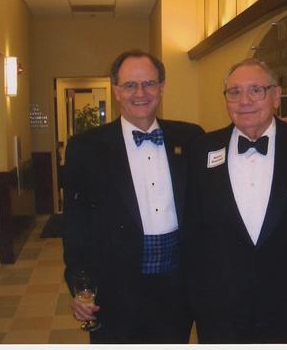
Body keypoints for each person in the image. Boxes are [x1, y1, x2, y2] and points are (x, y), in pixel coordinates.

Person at [183, 58, 287, 344]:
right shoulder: (201, 150)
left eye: (255, 90)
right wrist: (198, 304)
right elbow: (193, 235)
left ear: (276, 96)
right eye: (234, 92)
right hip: (221, 318)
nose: (244, 100)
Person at [62, 49, 204, 343]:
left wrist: (286, 131)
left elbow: (233, 148)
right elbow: (76, 226)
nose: (140, 93)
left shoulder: (191, 138)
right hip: (114, 291)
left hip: (176, 290)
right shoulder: (85, 148)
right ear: (116, 91)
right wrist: (79, 287)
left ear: (162, 88)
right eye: (129, 85)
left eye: (149, 84)